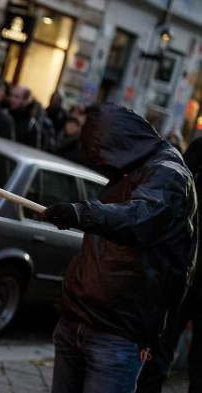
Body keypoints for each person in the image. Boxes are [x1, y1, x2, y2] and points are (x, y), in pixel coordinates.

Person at [44, 103, 198, 393]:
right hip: (78, 316)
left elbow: (138, 218)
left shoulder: (169, 174)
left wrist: (81, 214)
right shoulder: (129, 167)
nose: (103, 164)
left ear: (121, 143)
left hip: (118, 332)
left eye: (103, 155)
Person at [136, 135, 202, 393]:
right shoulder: (198, 150)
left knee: (164, 352)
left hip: (183, 267)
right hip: (182, 269)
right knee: (160, 351)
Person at [8, 85, 53, 150]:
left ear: (26, 100)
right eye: (11, 95)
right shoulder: (3, 114)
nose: (12, 99)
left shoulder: (31, 126)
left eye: (16, 97)